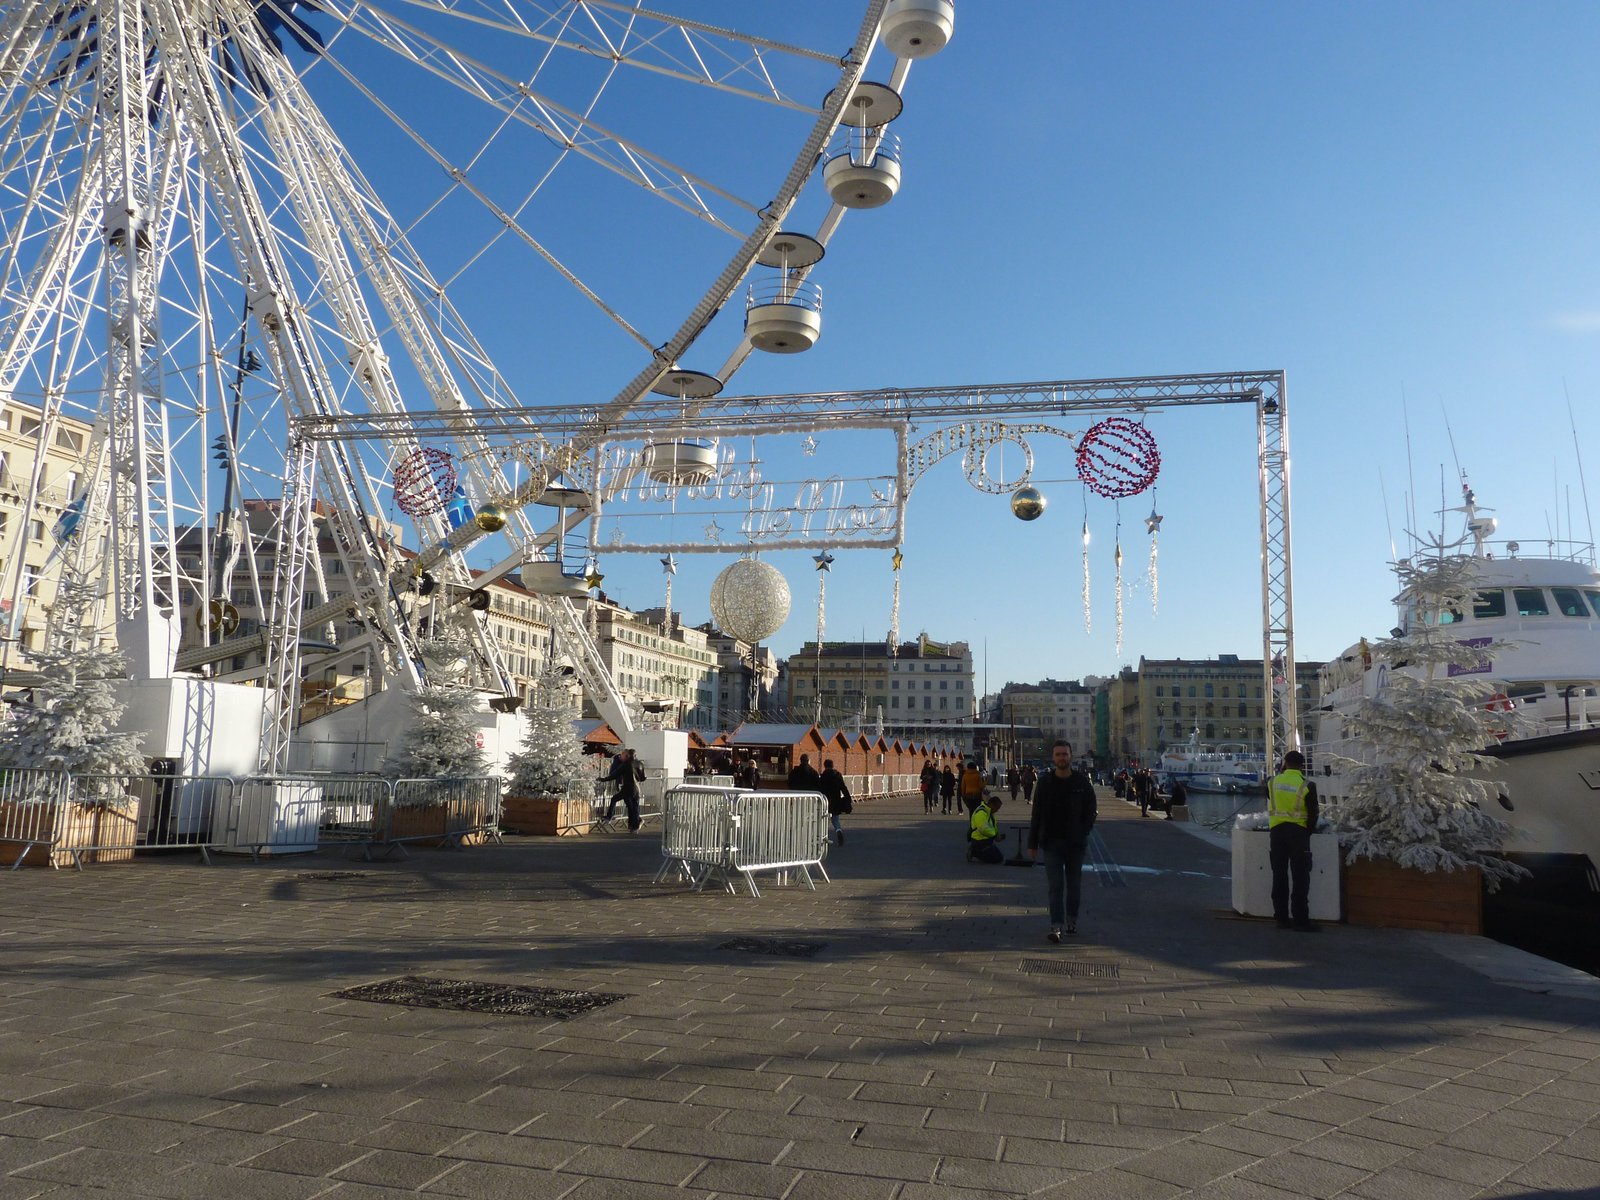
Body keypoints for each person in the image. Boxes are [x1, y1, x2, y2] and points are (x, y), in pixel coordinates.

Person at [1028, 739, 1098, 941]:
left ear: (1070, 757)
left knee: (1074, 885)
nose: (1061, 758)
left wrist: (1084, 830)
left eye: (1064, 754)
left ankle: (1072, 921)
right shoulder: (1045, 783)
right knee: (1055, 885)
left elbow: (1091, 810)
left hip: (1076, 843)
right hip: (1051, 843)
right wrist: (1032, 843)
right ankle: (1056, 925)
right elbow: (1036, 814)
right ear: (1053, 758)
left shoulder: (1081, 782)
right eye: (1058, 754)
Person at [1269, 750, 1320, 932]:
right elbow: (1314, 813)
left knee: (1279, 875)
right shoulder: (1307, 785)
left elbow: (1269, 796)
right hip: (1299, 834)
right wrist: (1308, 832)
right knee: (1300, 877)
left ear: (1284, 763)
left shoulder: (1272, 782)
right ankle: (1300, 920)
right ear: (1302, 766)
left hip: (1276, 833)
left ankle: (1281, 918)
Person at [603, 748, 646, 832]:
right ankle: (634, 826)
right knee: (634, 806)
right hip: (636, 788)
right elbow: (642, 778)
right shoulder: (640, 764)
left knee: (625, 803)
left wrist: (603, 779)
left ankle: (610, 816)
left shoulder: (626, 764)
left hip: (627, 788)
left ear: (628, 755)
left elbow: (614, 774)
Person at [818, 758, 852, 846]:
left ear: (825, 766)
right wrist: (848, 798)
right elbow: (843, 788)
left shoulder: (823, 776)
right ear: (833, 766)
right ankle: (838, 830)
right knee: (835, 819)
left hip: (825, 801)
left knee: (824, 818)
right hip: (836, 801)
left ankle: (824, 838)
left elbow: (820, 788)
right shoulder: (837, 775)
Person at [968, 793, 1004, 864]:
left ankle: (977, 852)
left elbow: (993, 825)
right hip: (979, 840)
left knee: (1000, 858)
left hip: (986, 840)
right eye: (997, 808)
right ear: (992, 805)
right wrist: (994, 835)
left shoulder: (989, 812)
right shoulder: (981, 813)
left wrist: (997, 834)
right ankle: (974, 851)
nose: (997, 810)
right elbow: (983, 829)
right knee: (995, 859)